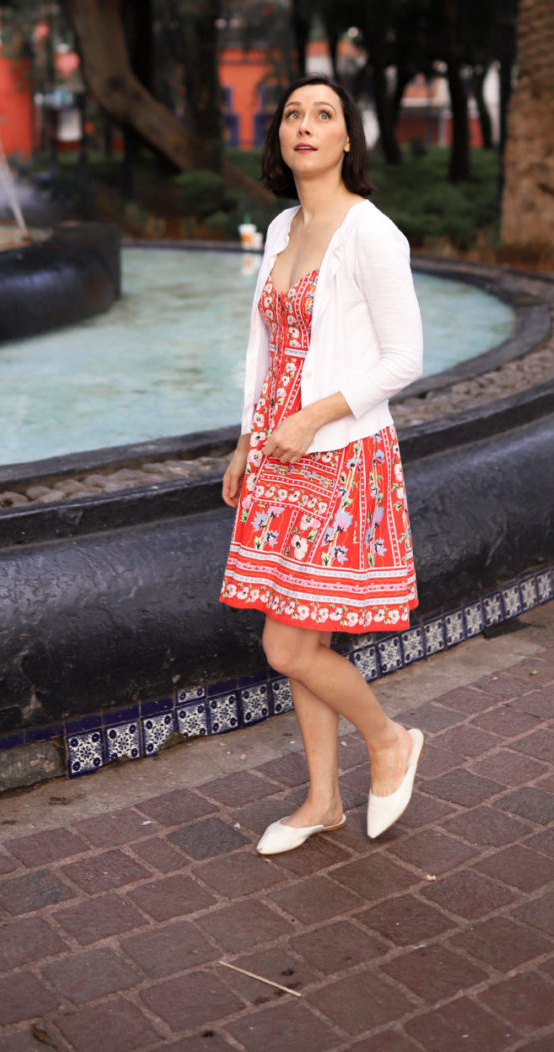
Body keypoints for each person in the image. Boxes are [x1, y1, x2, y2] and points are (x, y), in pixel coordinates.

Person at [220, 75, 425, 854]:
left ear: (347, 140)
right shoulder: (279, 228)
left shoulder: (373, 233)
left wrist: (313, 416)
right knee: (307, 644)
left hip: (339, 455)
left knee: (288, 646)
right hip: (277, 454)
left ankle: (389, 741)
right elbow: (261, 347)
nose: (305, 125)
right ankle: (321, 802)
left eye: (324, 115)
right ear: (281, 137)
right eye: (293, 115)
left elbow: (404, 359)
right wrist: (248, 436)